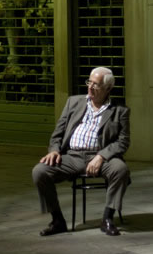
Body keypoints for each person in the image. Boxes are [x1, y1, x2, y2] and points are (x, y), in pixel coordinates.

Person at [32, 66, 130, 236]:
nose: (90, 87)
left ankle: (107, 218)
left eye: (96, 84)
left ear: (108, 88)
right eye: (89, 82)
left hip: (101, 158)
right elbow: (58, 132)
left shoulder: (120, 110)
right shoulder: (74, 102)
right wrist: (54, 150)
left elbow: (123, 141)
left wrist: (101, 156)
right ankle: (57, 220)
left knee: (120, 170)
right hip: (73, 156)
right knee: (40, 171)